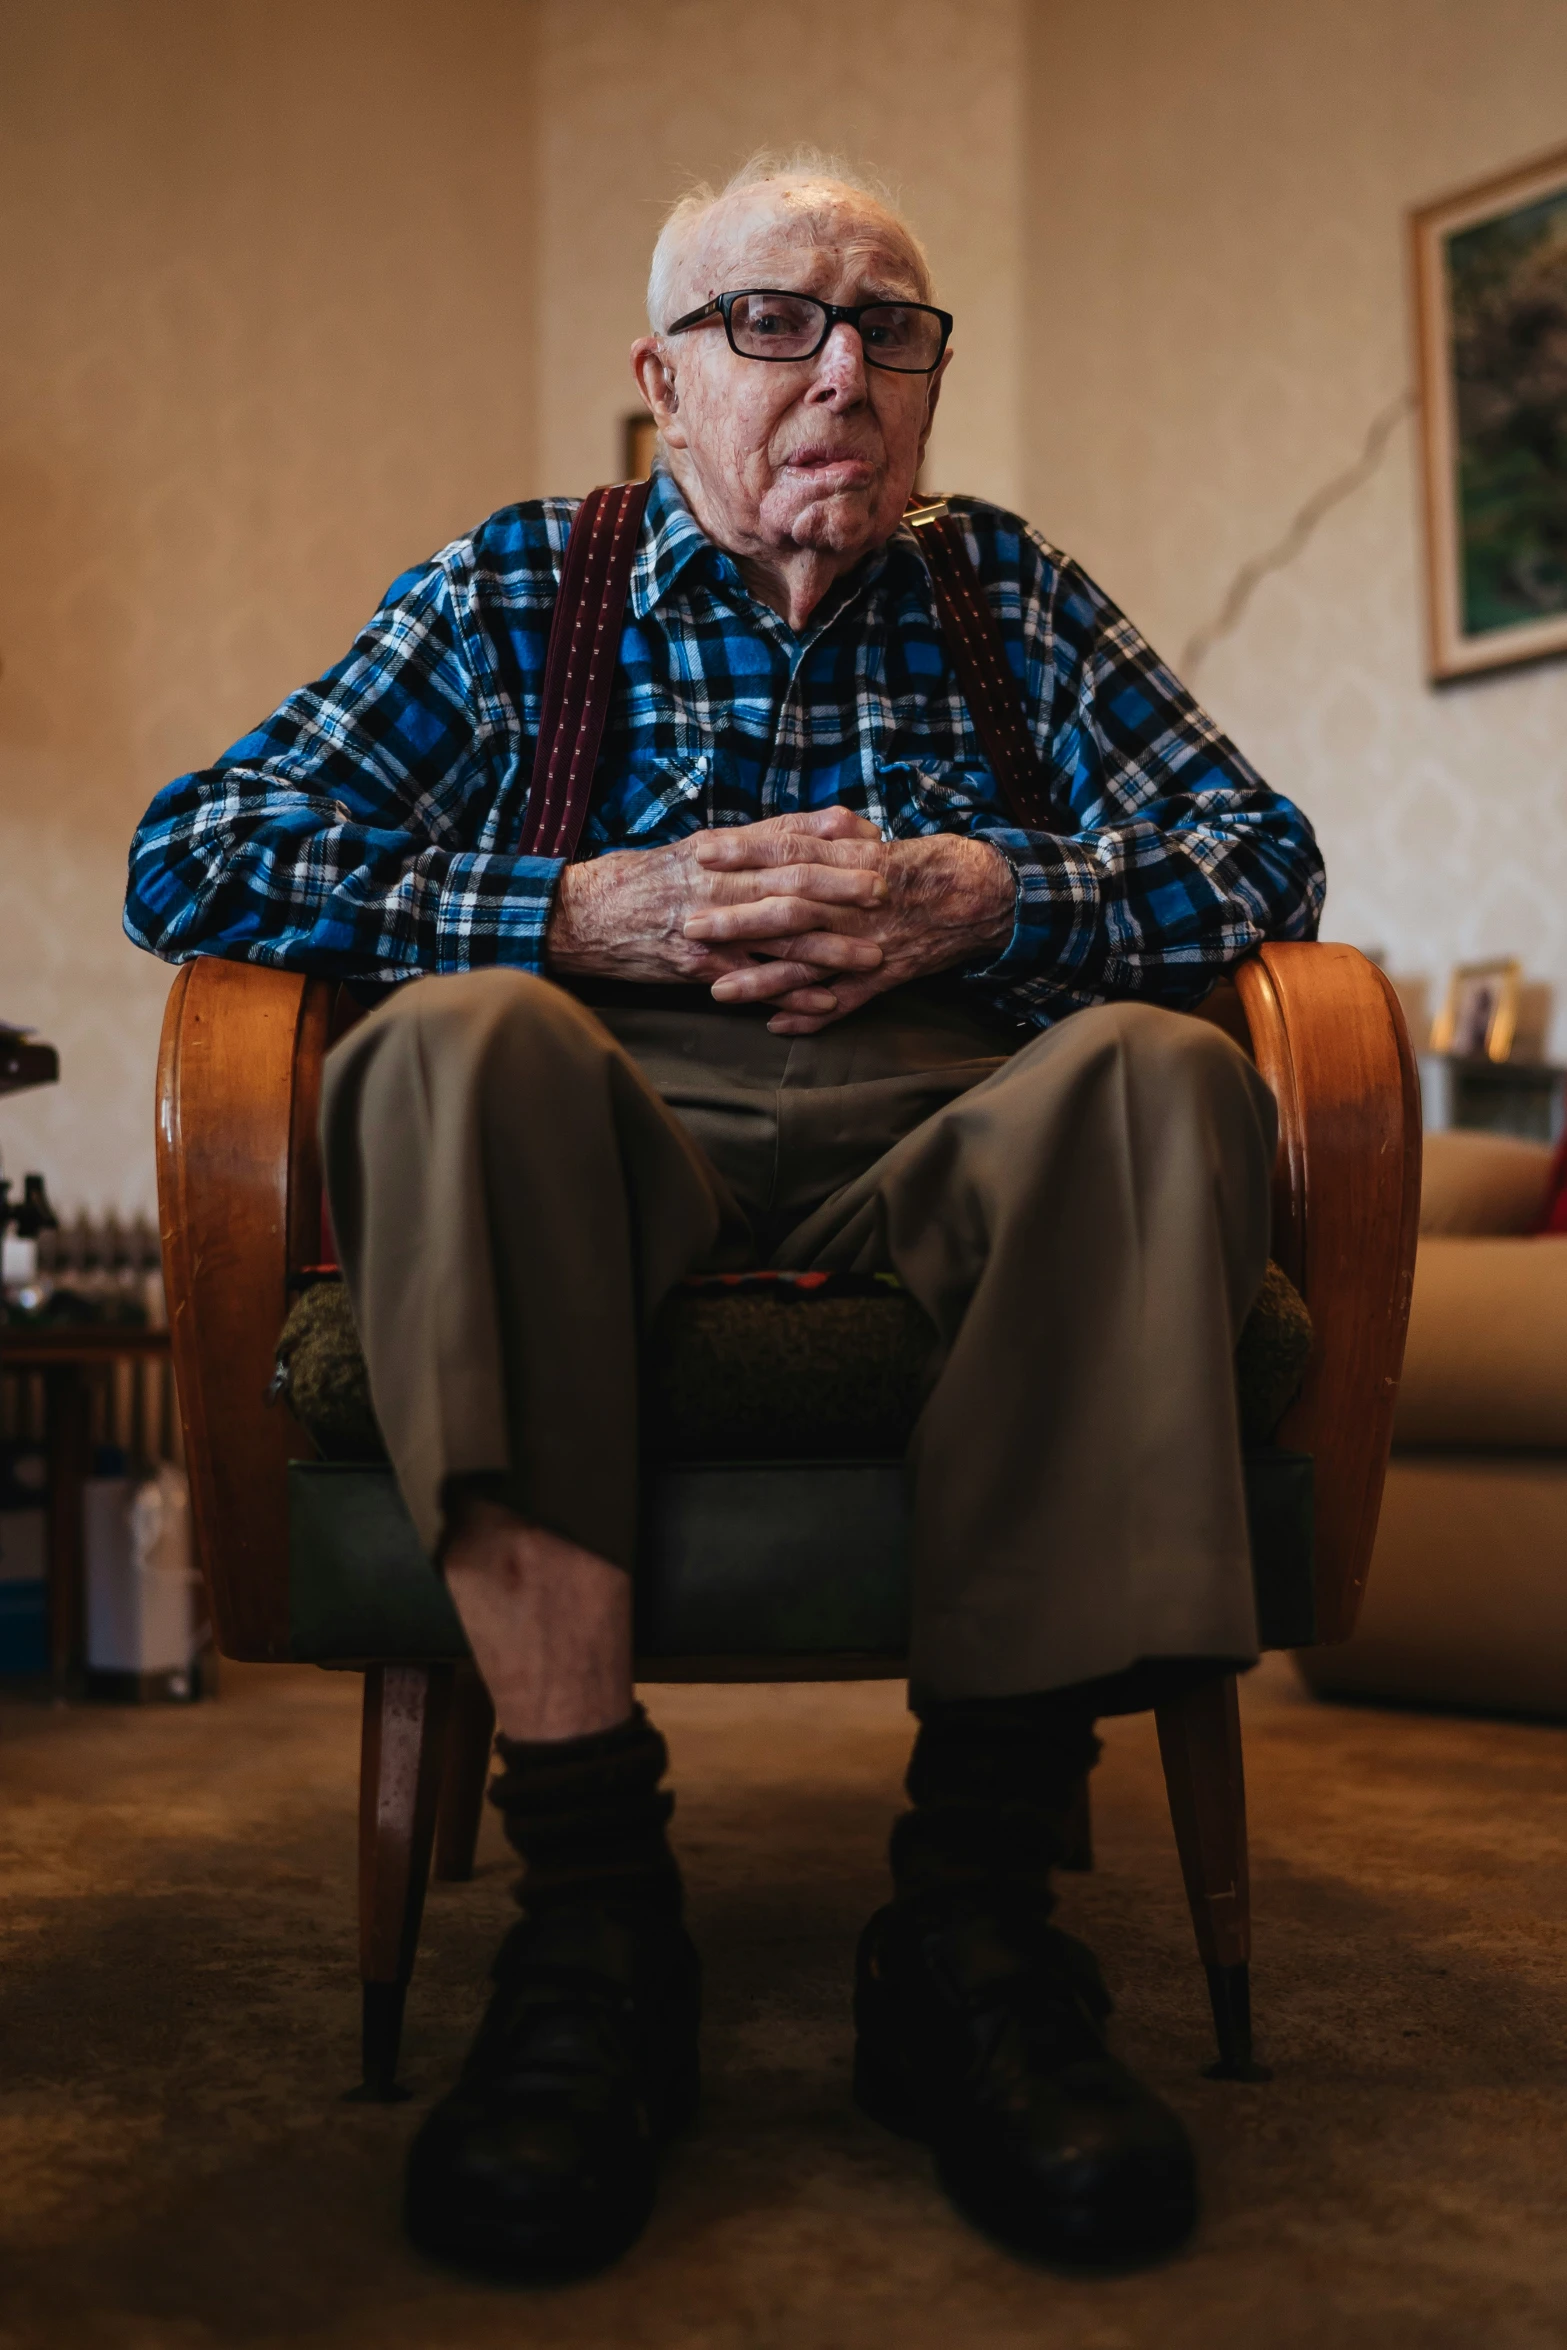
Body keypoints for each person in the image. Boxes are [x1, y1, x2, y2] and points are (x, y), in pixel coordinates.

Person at [125, 149, 1325, 2280]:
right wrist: (566, 906)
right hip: (612, 1116)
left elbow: (1262, 857)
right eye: (777, 318)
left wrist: (997, 891)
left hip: (963, 1114)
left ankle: (969, 1937)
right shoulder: (518, 586)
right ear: (660, 378)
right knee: (447, 1044)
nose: (843, 366)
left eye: (892, 325)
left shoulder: (1012, 593)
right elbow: (195, 851)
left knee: (1166, 1069)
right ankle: (596, 1921)